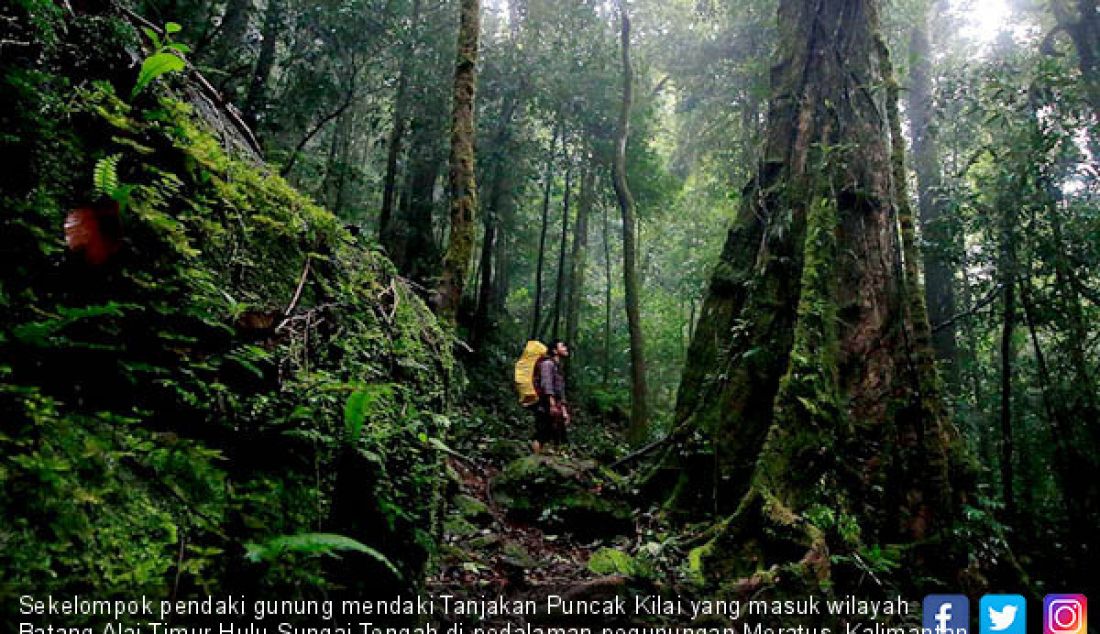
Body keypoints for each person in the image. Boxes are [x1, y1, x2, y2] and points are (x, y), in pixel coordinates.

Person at [532, 339, 570, 453]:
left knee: (558, 434)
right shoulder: (547, 364)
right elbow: (546, 384)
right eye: (562, 346)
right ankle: (534, 462)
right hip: (545, 403)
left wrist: (564, 410)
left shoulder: (558, 367)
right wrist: (552, 404)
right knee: (542, 433)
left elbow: (560, 390)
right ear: (554, 350)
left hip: (555, 404)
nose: (565, 348)